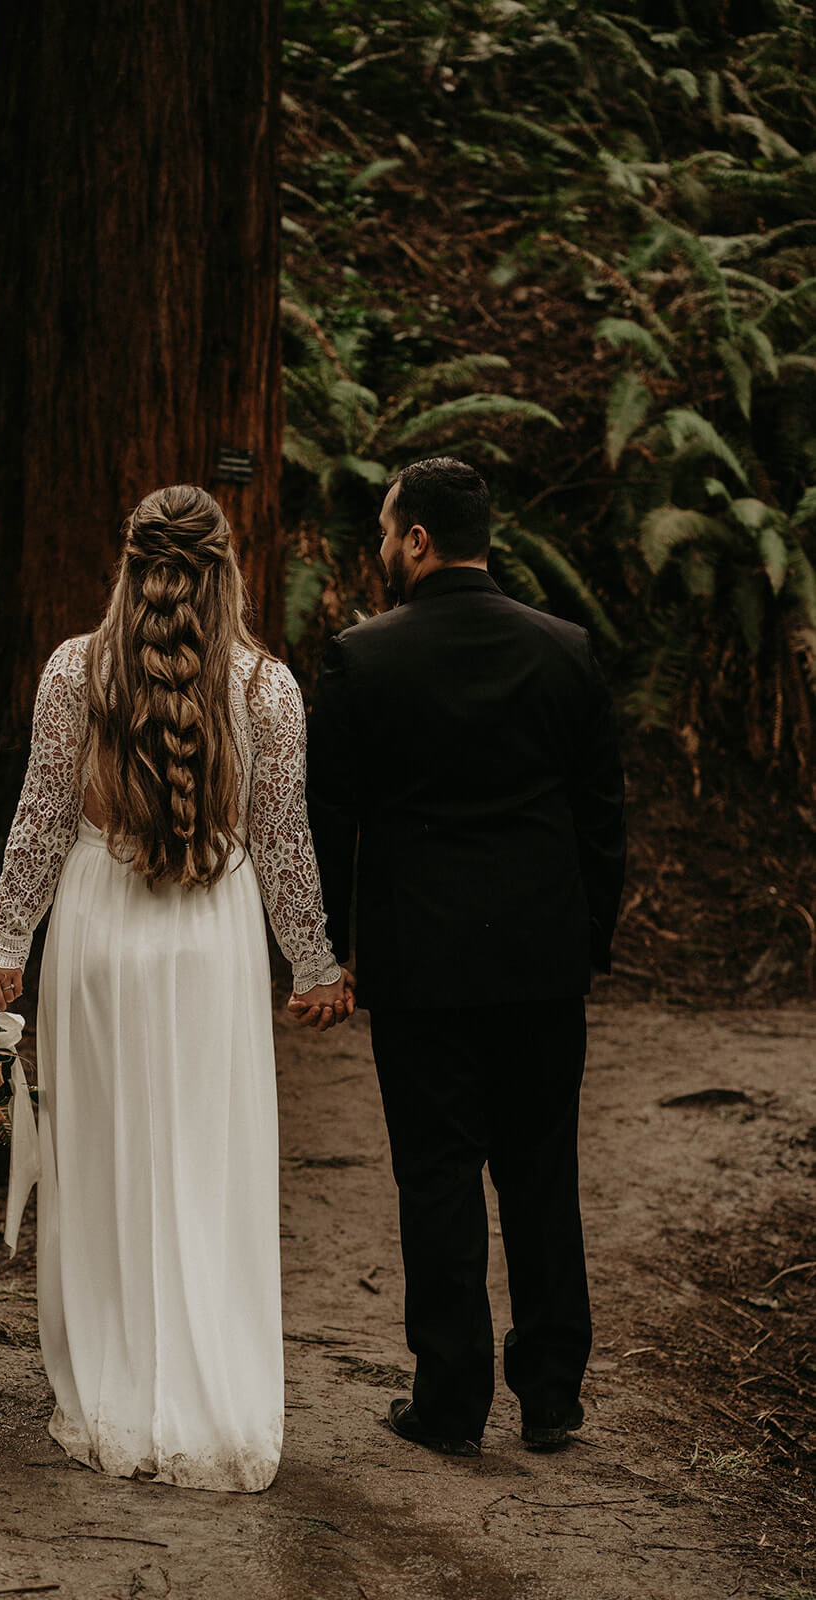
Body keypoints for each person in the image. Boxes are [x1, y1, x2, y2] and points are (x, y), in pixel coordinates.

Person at [0, 484, 352, 1493]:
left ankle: (111, 1380)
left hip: (97, 935)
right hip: (209, 946)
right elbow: (282, 844)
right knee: (203, 1161)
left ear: (127, 564)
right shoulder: (267, 687)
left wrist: (5, 942)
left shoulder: (72, 671)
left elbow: (41, 819)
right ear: (226, 569)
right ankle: (210, 1387)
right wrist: (311, 963)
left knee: (101, 1162)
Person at [297, 456, 626, 1457]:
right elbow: (600, 818)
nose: (381, 550)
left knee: (435, 1174)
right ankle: (551, 1395)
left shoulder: (362, 658)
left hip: (422, 965)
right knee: (539, 1169)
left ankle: (448, 1401)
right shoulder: (565, 650)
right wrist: (588, 944)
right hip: (538, 962)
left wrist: (327, 951)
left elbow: (329, 817)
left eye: (387, 532)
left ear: (417, 541)